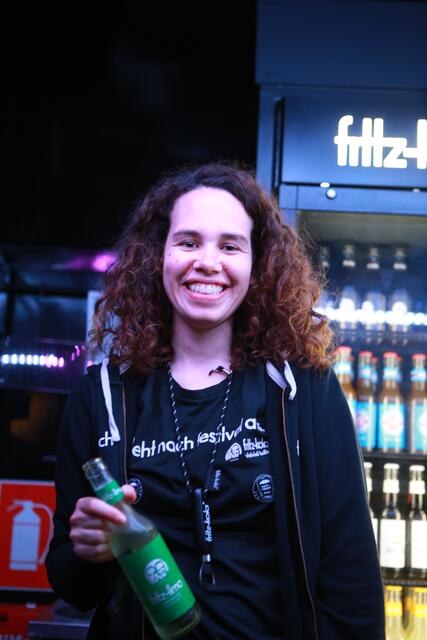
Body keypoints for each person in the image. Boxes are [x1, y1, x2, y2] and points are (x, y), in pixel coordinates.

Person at [46, 162, 385, 639]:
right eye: (188, 242)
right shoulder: (101, 396)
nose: (208, 262)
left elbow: (351, 573)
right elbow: (71, 584)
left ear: (258, 265)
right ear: (157, 256)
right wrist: (88, 552)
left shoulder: (301, 389)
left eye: (230, 246)